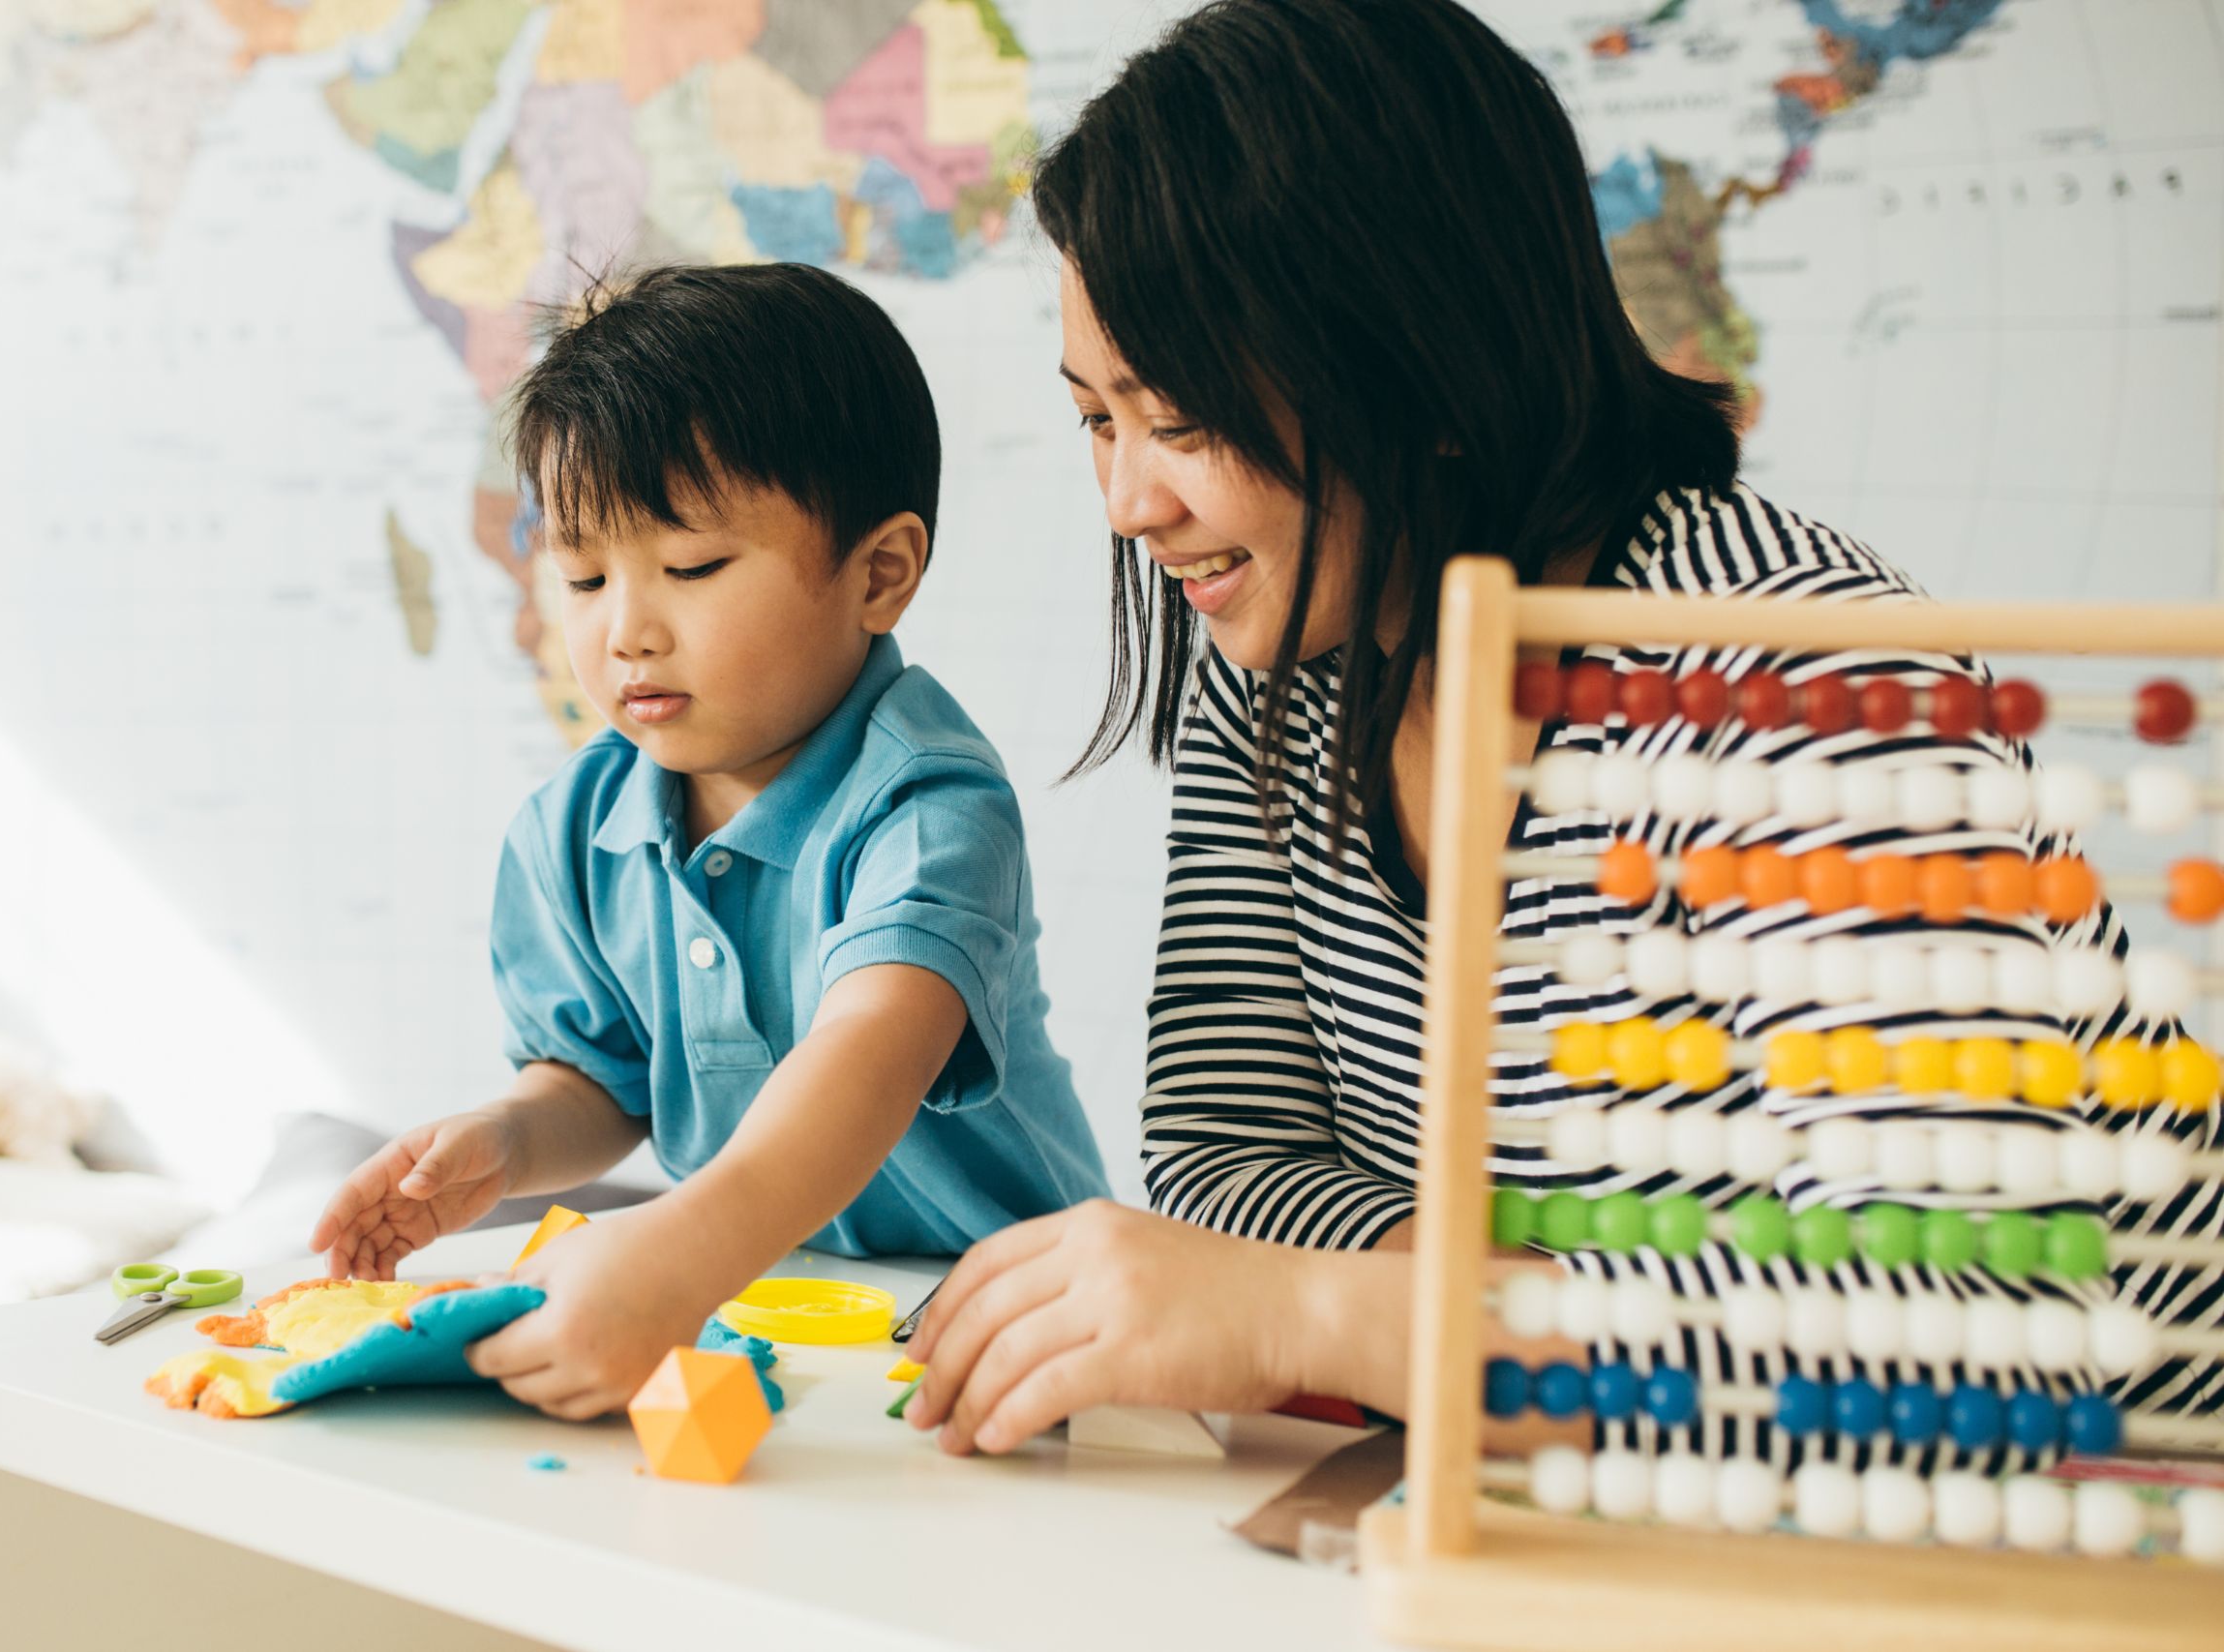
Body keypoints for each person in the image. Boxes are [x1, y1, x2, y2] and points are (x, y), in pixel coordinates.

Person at [905, 0, 2212, 1458]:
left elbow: (1966, 1336)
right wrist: (1497, 1320)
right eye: (1099, 417)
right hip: (1627, 1491)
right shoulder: (1279, 659)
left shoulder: (1806, 678)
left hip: (2115, 1514)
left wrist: (1336, 1317)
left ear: (1425, 369)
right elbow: (1223, 1158)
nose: (1129, 502)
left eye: (1185, 419)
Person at [311, 263, 1107, 1420]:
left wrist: (675, 1251)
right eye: (582, 575)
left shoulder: (930, 803)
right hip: (761, 1310)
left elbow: (865, 1061)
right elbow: (603, 1080)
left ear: (878, 573)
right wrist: (506, 1141)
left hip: (999, 1327)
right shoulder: (576, 828)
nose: (625, 629)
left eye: (689, 568)